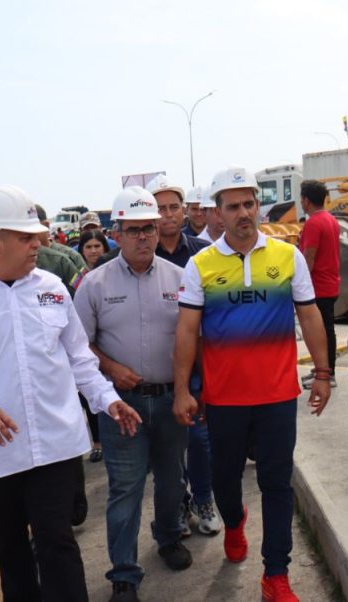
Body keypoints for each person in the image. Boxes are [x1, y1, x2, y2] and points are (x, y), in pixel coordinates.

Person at [0, 184, 142, 602]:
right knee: (11, 554)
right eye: (26, 237)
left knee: (58, 545)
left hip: (56, 446)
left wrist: (107, 400)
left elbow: (79, 359)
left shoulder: (52, 287)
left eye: (36, 235)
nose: (38, 243)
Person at [172, 166, 332, 602]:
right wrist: (184, 390)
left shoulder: (287, 256)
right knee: (225, 480)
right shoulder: (200, 264)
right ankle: (235, 520)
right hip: (224, 400)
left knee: (277, 483)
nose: (243, 213)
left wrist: (322, 372)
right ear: (217, 213)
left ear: (258, 206)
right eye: (233, 206)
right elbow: (187, 331)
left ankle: (275, 575)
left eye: (249, 203)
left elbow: (310, 314)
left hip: (278, 396)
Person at [74, 186, 191, 602]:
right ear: (117, 234)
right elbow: (78, 344)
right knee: (125, 488)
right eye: (133, 229)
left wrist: (188, 392)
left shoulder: (180, 279)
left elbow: (192, 338)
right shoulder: (94, 284)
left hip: (170, 398)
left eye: (149, 229)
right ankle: (124, 572)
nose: (143, 237)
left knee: (172, 478)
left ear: (159, 231)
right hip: (122, 406)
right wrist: (111, 367)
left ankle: (169, 536)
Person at [142, 175, 218, 538]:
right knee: (168, 454)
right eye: (160, 208)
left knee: (201, 441)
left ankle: (204, 499)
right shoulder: (141, 254)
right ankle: (179, 505)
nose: (168, 215)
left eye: (174, 207)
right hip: (157, 371)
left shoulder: (201, 254)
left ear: (185, 209)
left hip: (198, 367)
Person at [298, 180, 341, 389]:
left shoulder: (314, 223)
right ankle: (322, 369)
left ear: (306, 201)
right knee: (326, 329)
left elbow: (309, 257)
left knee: (321, 331)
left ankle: (327, 373)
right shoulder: (331, 220)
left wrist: (298, 283)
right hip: (330, 283)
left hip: (318, 287)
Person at [77, 228, 111, 462]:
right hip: (87, 344)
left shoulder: (115, 273)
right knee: (92, 396)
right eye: (88, 247)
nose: (93, 251)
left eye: (97, 246)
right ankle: (98, 441)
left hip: (111, 346)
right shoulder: (78, 277)